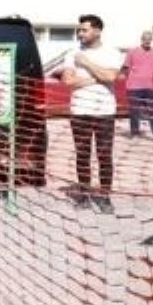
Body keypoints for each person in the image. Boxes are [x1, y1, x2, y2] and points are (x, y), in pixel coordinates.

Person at [52, 14, 124, 212]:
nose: (80, 33)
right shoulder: (72, 53)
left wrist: (86, 63)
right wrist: (97, 79)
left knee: (104, 156)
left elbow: (111, 76)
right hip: (79, 111)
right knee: (82, 155)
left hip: (104, 112)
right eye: (79, 30)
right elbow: (68, 81)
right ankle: (83, 194)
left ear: (98, 31)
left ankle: (104, 196)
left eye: (84, 30)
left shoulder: (112, 52)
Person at [124, 30, 153, 139]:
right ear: (141, 39)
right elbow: (126, 67)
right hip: (133, 87)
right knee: (134, 111)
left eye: (149, 39)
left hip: (149, 86)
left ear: (151, 40)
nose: (147, 41)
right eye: (145, 39)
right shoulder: (132, 51)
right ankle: (135, 133)